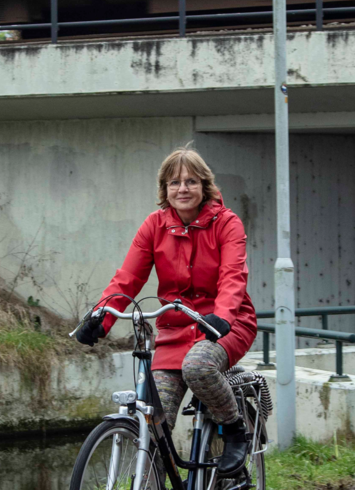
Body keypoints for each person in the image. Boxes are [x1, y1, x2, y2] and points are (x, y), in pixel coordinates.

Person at [74, 147, 258, 475]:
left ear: (204, 186)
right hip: (174, 332)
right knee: (156, 421)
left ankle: (234, 430)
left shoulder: (227, 224)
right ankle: (154, 478)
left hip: (224, 324)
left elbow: (233, 278)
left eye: (190, 181)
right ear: (165, 189)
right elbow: (126, 279)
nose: (182, 189)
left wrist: (223, 317)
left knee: (199, 367)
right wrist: (101, 316)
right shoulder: (154, 226)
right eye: (174, 183)